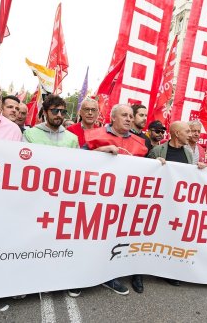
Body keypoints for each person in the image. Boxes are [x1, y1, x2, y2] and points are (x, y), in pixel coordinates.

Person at [70, 105, 147, 298]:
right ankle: (77, 277)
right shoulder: (93, 135)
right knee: (87, 238)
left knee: (112, 240)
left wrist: (159, 164)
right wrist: (100, 151)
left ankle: (108, 276)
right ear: (113, 117)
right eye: (124, 115)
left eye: (131, 116)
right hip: (94, 199)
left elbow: (147, 171)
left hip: (123, 202)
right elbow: (75, 161)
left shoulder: (140, 144)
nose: (129, 119)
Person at [139, 121, 207, 292]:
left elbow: (189, 175)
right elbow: (144, 173)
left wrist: (199, 169)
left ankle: (167, 270)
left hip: (175, 204)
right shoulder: (158, 151)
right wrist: (154, 164)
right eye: (187, 131)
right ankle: (138, 272)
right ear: (177, 133)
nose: (191, 135)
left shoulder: (188, 152)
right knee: (147, 236)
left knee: (169, 237)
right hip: (156, 203)